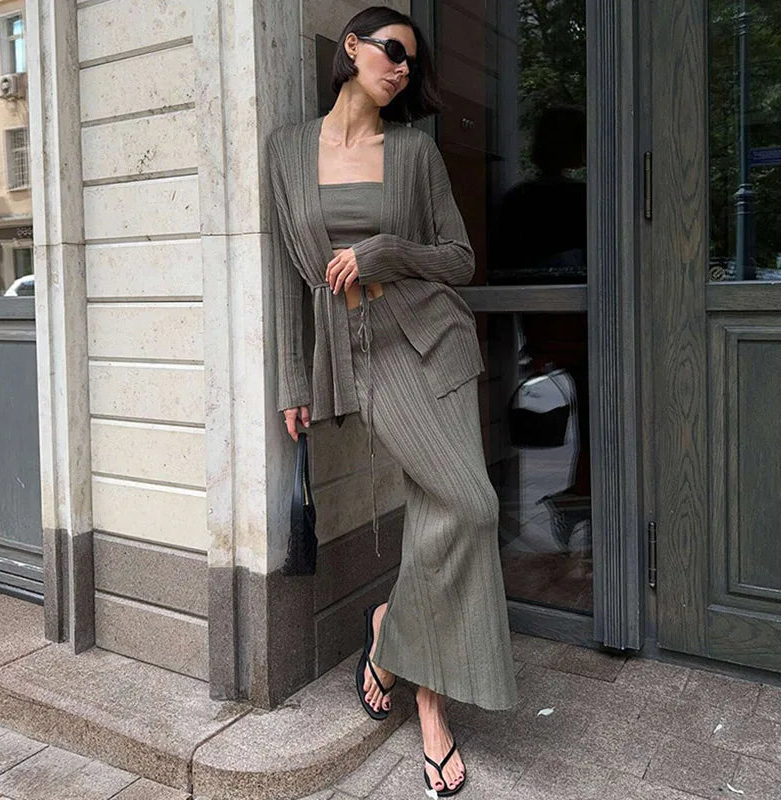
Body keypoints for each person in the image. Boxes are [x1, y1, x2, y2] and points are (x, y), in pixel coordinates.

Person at [267, 6, 518, 796]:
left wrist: (386, 251)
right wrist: (294, 379)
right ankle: (395, 642)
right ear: (352, 48)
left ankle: (417, 687)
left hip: (434, 346)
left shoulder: (413, 152)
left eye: (412, 63)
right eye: (393, 53)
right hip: (362, 358)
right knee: (459, 508)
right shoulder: (286, 150)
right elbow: (286, 278)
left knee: (462, 508)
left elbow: (460, 259)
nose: (403, 70)